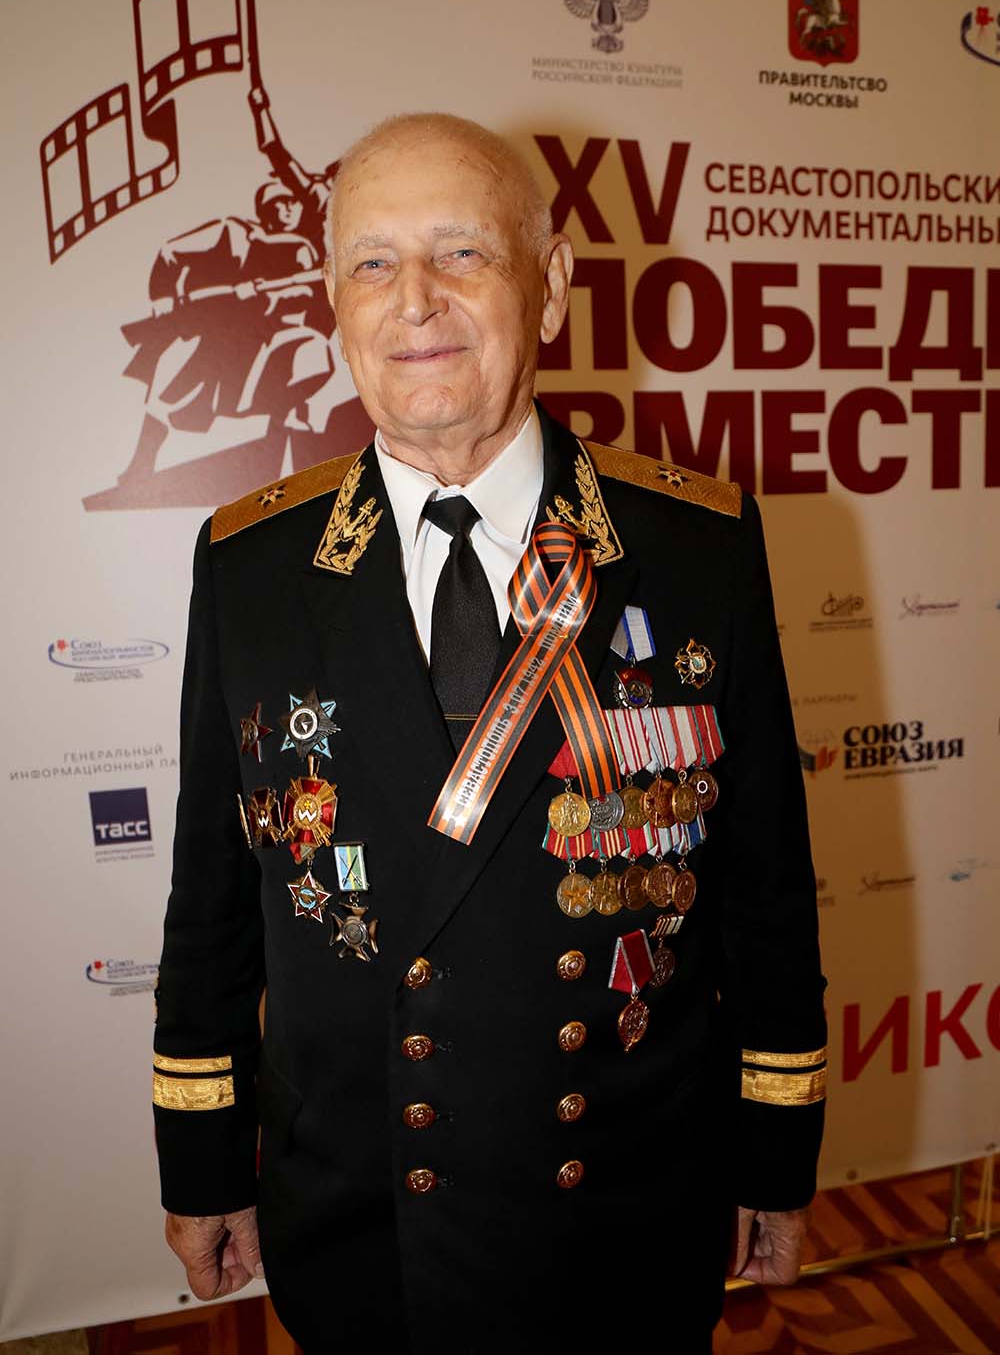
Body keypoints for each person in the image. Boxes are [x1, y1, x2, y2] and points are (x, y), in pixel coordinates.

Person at [153, 112, 827, 1353]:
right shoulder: (250, 564)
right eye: (372, 263)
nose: (414, 299)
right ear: (334, 304)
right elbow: (213, 899)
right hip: (361, 1221)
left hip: (623, 1216)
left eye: (461, 252)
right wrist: (202, 1161)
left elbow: (765, 889)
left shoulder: (695, 547)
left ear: (550, 285)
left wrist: (774, 1151)